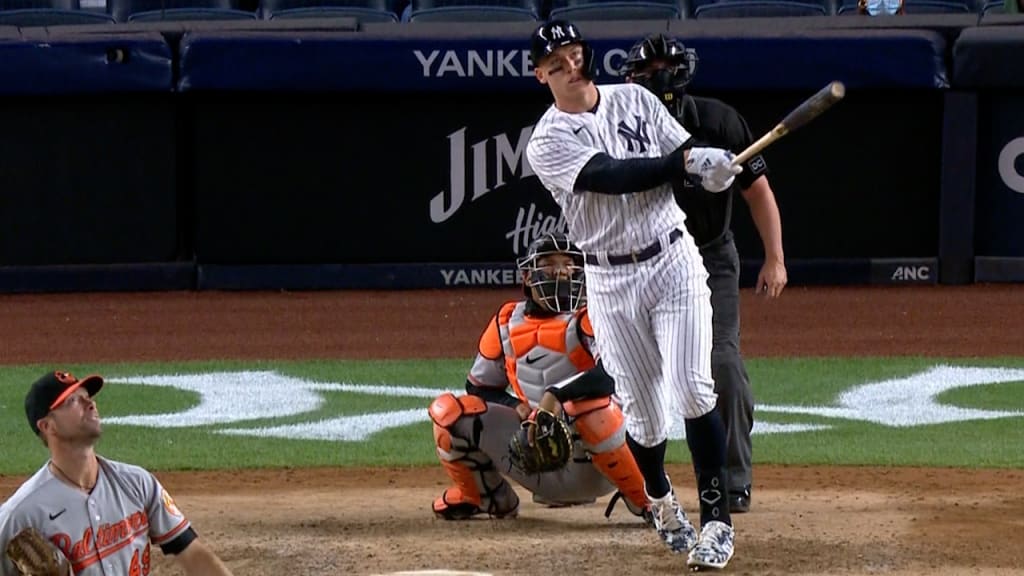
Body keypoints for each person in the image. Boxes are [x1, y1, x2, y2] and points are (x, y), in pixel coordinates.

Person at [525, 19, 739, 571]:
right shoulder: (547, 141)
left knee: (694, 388)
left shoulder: (637, 100)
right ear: (539, 75)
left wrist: (707, 170)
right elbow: (611, 174)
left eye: (574, 54)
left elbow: (684, 159)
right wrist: (683, 164)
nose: (570, 66)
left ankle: (717, 523)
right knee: (643, 422)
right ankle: (663, 502)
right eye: (556, 62)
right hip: (610, 280)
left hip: (672, 259)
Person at [620, 34, 788, 514]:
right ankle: (640, 485)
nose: (661, 75)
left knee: (723, 366)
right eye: (650, 66)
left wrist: (774, 258)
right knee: (634, 376)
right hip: (640, 261)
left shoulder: (718, 120)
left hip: (709, 257)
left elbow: (758, 191)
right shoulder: (618, 127)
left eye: (668, 65)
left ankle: (733, 480)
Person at [429, 233, 651, 522]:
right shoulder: (507, 321)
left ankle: (645, 499)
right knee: (449, 413)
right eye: (549, 264)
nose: (561, 271)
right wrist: (515, 406)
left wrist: (556, 396)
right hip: (536, 459)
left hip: (598, 463)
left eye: (569, 264)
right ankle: (486, 497)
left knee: (592, 410)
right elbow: (478, 386)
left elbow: (614, 375)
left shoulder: (593, 315)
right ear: (528, 276)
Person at [0, 370, 235, 576]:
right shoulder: (20, 515)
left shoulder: (136, 483)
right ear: (47, 426)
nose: (89, 404)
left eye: (87, 397)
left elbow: (193, 554)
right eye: (72, 401)